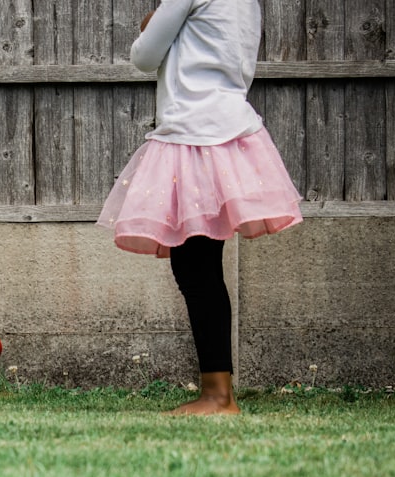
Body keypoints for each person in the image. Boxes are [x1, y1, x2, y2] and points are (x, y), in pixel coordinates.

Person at [96, 0, 303, 415]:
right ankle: (218, 391)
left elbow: (144, 55)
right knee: (203, 266)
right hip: (231, 132)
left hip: (194, 135)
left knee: (194, 268)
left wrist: (150, 22)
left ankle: (218, 396)